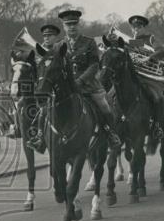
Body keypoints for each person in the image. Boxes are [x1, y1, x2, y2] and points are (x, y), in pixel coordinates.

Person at [28, 9, 121, 151]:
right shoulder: (58, 45)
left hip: (88, 85)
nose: (71, 27)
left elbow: (95, 65)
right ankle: (40, 137)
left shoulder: (89, 43)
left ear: (79, 25)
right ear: (64, 27)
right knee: (44, 108)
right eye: (68, 25)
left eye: (74, 24)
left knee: (104, 105)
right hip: (65, 86)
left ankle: (111, 134)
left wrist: (81, 80)